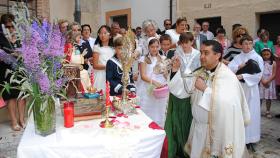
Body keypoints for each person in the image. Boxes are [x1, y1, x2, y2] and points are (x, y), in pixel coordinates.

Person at [185, 40, 250, 158]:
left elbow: (227, 104)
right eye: (201, 53)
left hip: (215, 130)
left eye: (206, 53)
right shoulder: (201, 71)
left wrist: (205, 89)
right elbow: (188, 89)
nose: (202, 57)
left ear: (218, 55)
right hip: (198, 127)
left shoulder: (227, 76)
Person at [166, 32, 200, 158]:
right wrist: (173, 68)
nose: (185, 45)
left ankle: (186, 148)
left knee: (188, 119)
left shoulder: (198, 54)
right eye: (183, 42)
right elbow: (171, 71)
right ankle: (174, 147)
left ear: (192, 42)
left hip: (191, 90)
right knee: (175, 120)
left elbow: (200, 71)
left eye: (187, 42)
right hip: (176, 88)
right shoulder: (175, 53)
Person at [228, 35, 264, 152]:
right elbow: (229, 68)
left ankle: (250, 139)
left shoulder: (257, 58)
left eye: (250, 43)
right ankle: (240, 138)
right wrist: (239, 66)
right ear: (241, 45)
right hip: (239, 88)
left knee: (251, 112)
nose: (247, 46)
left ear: (252, 44)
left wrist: (242, 75)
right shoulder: (238, 57)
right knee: (239, 112)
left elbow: (258, 75)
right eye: (245, 43)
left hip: (251, 89)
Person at [0, 13, 26, 131]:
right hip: (6, 70)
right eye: (8, 26)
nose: (11, 29)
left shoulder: (20, 36)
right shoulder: (1, 37)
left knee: (22, 95)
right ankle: (14, 121)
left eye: (12, 26)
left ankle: (22, 119)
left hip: (20, 69)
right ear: (3, 26)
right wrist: (10, 54)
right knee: (11, 96)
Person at [137, 37, 168, 127]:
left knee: (159, 109)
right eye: (152, 47)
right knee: (148, 109)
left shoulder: (163, 58)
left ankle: (159, 127)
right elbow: (143, 76)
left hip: (160, 89)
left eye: (156, 46)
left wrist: (165, 73)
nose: (154, 49)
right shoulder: (144, 59)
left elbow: (166, 75)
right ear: (148, 47)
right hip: (148, 87)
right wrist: (154, 83)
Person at [92, 25, 115, 92]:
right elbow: (95, 65)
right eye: (100, 33)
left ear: (110, 35)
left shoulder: (113, 49)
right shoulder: (97, 47)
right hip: (100, 75)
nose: (102, 35)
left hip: (111, 75)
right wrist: (109, 67)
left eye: (105, 33)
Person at [259, 48, 276, 119]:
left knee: (268, 98)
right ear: (261, 55)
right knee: (260, 98)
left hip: (269, 82)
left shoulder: (273, 63)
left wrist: (267, 81)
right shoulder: (260, 62)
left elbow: (274, 74)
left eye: (267, 54)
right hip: (261, 81)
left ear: (270, 54)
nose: (266, 56)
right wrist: (263, 81)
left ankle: (268, 111)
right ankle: (258, 110)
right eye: (264, 55)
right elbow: (258, 73)